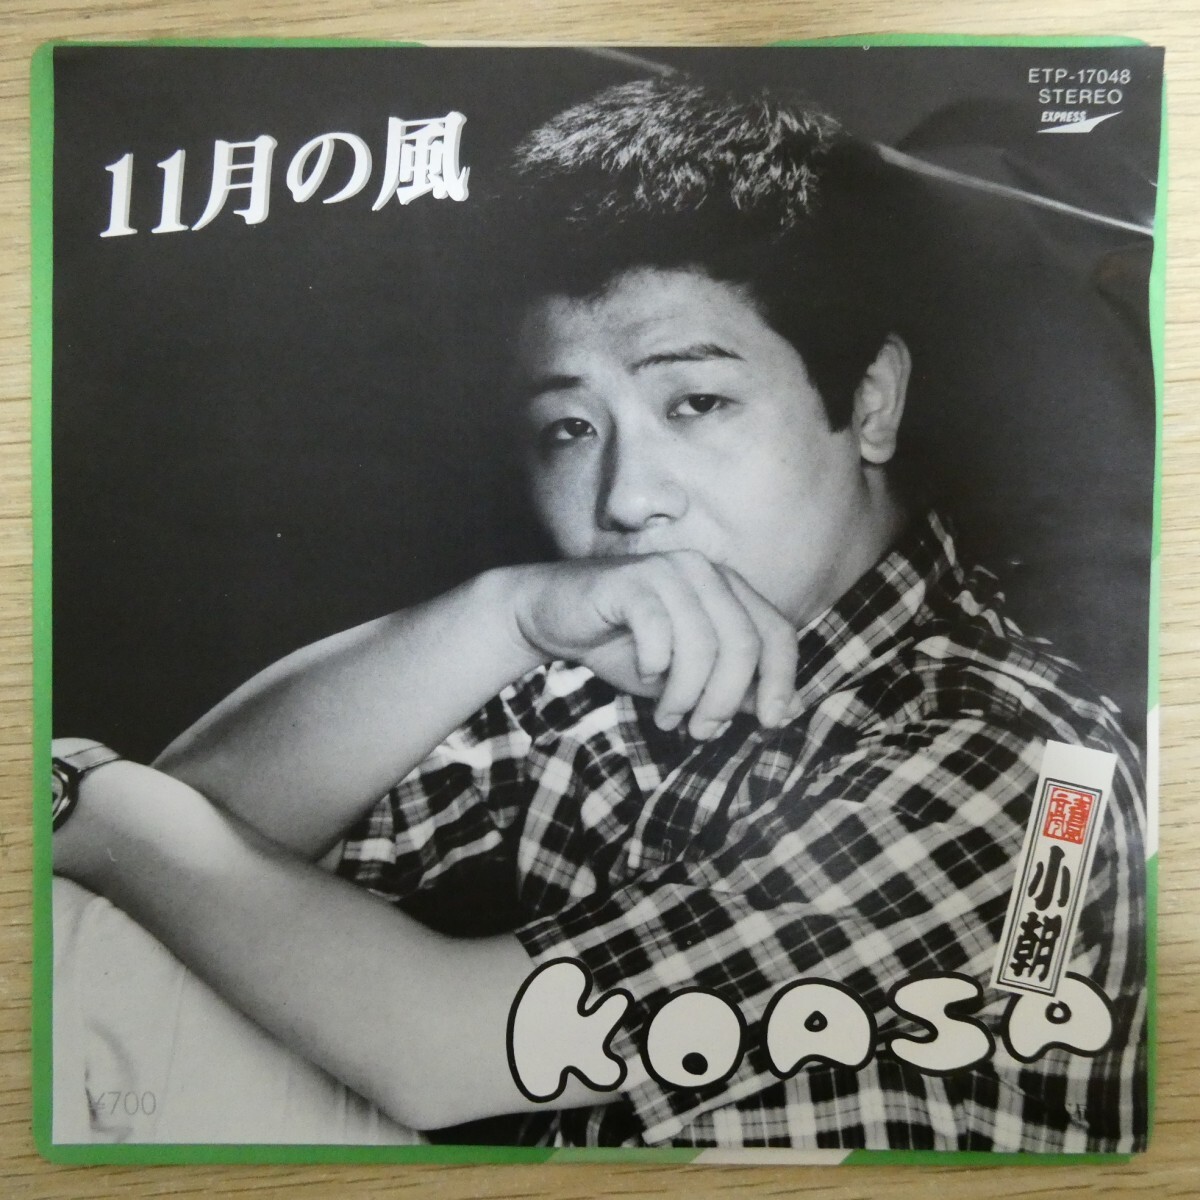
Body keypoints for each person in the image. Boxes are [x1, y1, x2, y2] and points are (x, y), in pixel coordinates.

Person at [51, 77, 1147, 1153]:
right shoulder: (599, 672)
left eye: (696, 402)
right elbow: (192, 829)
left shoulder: (1027, 755)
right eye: (571, 430)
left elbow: (455, 1044)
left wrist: (83, 792)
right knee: (75, 938)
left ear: (868, 401)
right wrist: (506, 616)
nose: (627, 498)